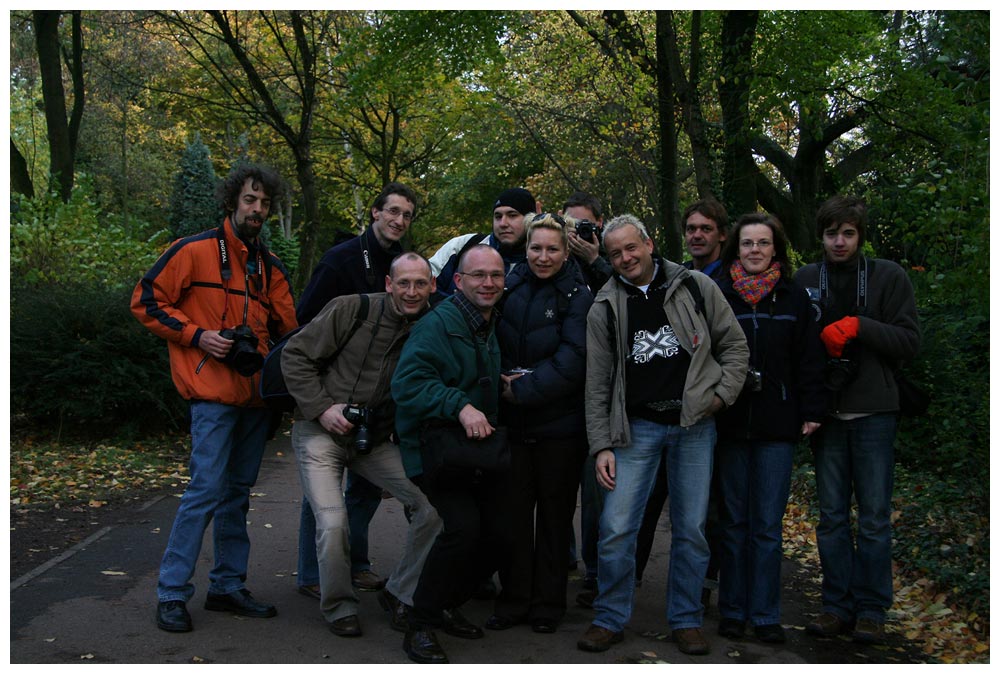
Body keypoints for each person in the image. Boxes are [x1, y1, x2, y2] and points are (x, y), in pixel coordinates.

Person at [132, 163, 298, 633]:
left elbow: (292, 336)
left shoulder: (270, 268)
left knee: (237, 495)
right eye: (251, 200)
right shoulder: (194, 250)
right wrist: (197, 335)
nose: (258, 209)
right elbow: (145, 301)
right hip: (210, 395)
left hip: (254, 401)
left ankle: (226, 585)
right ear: (232, 201)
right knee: (204, 490)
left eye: (265, 203)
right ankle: (171, 592)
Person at [575, 215, 748, 657]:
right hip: (635, 430)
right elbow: (596, 384)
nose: (625, 258)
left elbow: (734, 346)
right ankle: (610, 618)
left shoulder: (694, 286)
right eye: (615, 254)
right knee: (615, 528)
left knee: (691, 529)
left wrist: (720, 397)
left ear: (649, 244)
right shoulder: (605, 306)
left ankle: (686, 619)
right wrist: (601, 446)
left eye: (631, 248)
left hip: (693, 426)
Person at [281, 253, 442, 638]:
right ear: (389, 283)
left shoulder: (431, 326)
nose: (412, 291)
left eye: (421, 283)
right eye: (403, 283)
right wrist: (322, 409)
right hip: (321, 432)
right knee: (333, 521)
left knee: (432, 506)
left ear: (433, 286)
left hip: (373, 441)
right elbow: (295, 356)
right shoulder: (351, 308)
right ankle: (339, 606)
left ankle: (400, 590)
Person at [794, 195, 920, 645]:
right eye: (832, 234)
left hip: (874, 413)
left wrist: (860, 326)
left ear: (860, 237)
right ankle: (835, 606)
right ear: (821, 236)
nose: (840, 242)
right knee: (830, 517)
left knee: (873, 518)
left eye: (848, 234)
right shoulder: (807, 278)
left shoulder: (888, 276)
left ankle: (871, 609)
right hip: (826, 414)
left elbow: (909, 340)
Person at [294, 182, 418, 600]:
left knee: (364, 491)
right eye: (393, 211)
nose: (399, 220)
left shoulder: (402, 265)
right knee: (324, 493)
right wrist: (324, 396)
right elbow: (306, 324)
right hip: (332, 396)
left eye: (406, 215)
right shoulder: (341, 259)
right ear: (374, 213)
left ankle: (357, 563)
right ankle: (313, 574)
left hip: (375, 408)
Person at [392, 245, 509, 664]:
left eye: (495, 275)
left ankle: (443, 603)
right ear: (457, 281)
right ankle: (419, 624)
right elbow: (407, 385)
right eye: (478, 275)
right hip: (435, 452)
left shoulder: (485, 322)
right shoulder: (439, 324)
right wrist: (459, 405)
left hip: (474, 452)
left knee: (501, 534)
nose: (488, 283)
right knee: (461, 529)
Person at [713, 213, 827, 643]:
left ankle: (764, 614)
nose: (755, 251)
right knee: (733, 522)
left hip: (778, 426)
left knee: (766, 526)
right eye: (747, 244)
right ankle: (733, 610)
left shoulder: (794, 298)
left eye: (763, 243)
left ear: (775, 248)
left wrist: (813, 409)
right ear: (736, 249)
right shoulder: (720, 296)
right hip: (729, 423)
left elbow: (810, 361)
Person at [486, 213, 593, 634]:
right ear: (525, 248)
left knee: (553, 518)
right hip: (511, 425)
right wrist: (499, 382)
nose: (543, 256)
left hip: (559, 427)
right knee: (512, 516)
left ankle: (548, 605)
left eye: (552, 249)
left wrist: (525, 390)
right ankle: (513, 600)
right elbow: (487, 336)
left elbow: (575, 357)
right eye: (536, 248)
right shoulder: (508, 285)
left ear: (566, 252)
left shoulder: (579, 295)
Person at [634, 197, 730, 599]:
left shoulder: (732, 279)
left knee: (703, 511)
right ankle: (630, 579)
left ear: (722, 235)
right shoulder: (675, 278)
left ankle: (701, 589)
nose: (696, 235)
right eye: (691, 228)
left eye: (705, 229)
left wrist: (720, 394)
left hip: (714, 409)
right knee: (647, 502)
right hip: (667, 410)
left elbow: (732, 345)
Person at [559, 192, 609, 604]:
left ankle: (595, 572)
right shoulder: (552, 256)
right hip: (562, 391)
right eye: (568, 227)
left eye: (584, 227)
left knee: (595, 491)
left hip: (600, 392)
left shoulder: (613, 257)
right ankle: (563, 561)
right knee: (558, 487)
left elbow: (628, 298)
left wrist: (595, 259)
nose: (576, 236)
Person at [429, 187, 536, 297]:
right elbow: (421, 284)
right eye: (498, 216)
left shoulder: (540, 263)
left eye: (512, 215)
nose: (503, 223)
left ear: (529, 220)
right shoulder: (463, 245)